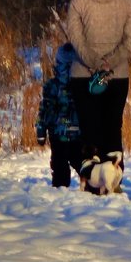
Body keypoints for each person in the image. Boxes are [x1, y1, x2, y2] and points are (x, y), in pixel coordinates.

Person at [64, 0, 131, 182]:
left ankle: (92, 176)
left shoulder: (78, 2)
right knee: (112, 127)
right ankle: (114, 175)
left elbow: (76, 39)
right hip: (117, 76)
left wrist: (94, 63)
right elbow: (130, 42)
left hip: (83, 75)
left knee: (89, 128)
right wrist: (109, 63)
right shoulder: (127, 4)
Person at [35, 43, 83, 187]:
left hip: (57, 133)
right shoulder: (81, 84)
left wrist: (40, 131)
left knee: (59, 166)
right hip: (78, 133)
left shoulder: (52, 85)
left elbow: (44, 109)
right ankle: (92, 189)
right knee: (83, 164)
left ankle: (60, 192)